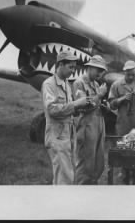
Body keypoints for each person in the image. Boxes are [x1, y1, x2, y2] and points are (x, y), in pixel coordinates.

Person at [41, 50, 89, 185]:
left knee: (65, 175)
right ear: (60, 64)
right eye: (71, 67)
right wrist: (76, 104)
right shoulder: (49, 84)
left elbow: (67, 109)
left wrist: (79, 108)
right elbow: (52, 109)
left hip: (67, 136)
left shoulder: (67, 84)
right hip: (56, 136)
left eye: (74, 67)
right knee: (64, 177)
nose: (73, 71)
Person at [108, 60, 135, 184]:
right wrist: (121, 99)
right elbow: (111, 105)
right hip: (123, 124)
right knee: (124, 151)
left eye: (133, 74)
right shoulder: (116, 85)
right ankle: (125, 177)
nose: (131, 77)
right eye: (128, 74)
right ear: (124, 72)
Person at [73, 55, 108, 185]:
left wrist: (104, 106)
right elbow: (83, 106)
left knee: (98, 164)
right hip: (87, 126)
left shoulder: (96, 84)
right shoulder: (79, 83)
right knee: (85, 165)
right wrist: (99, 95)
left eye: (102, 70)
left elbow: (95, 104)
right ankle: (81, 193)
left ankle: (92, 190)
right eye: (98, 69)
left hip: (98, 125)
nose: (100, 72)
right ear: (89, 67)